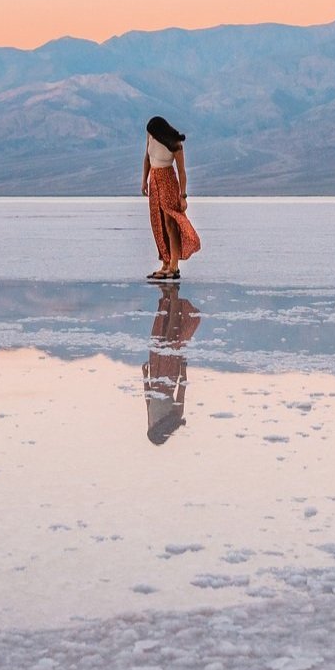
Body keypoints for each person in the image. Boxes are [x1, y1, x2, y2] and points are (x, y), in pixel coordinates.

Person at [141, 115, 200, 282]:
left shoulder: (175, 144)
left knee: (170, 223)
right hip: (154, 182)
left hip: (168, 181)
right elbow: (147, 158)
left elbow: (181, 172)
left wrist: (183, 196)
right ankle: (165, 264)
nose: (149, 134)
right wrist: (144, 180)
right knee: (158, 222)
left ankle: (174, 266)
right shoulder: (151, 136)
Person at [142, 280, 200, 445]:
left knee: (161, 328)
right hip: (168, 373)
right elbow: (182, 387)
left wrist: (145, 377)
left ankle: (167, 292)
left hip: (156, 373)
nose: (150, 424)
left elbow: (148, 398)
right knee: (171, 331)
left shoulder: (157, 421)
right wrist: (183, 367)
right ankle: (173, 289)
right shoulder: (175, 415)